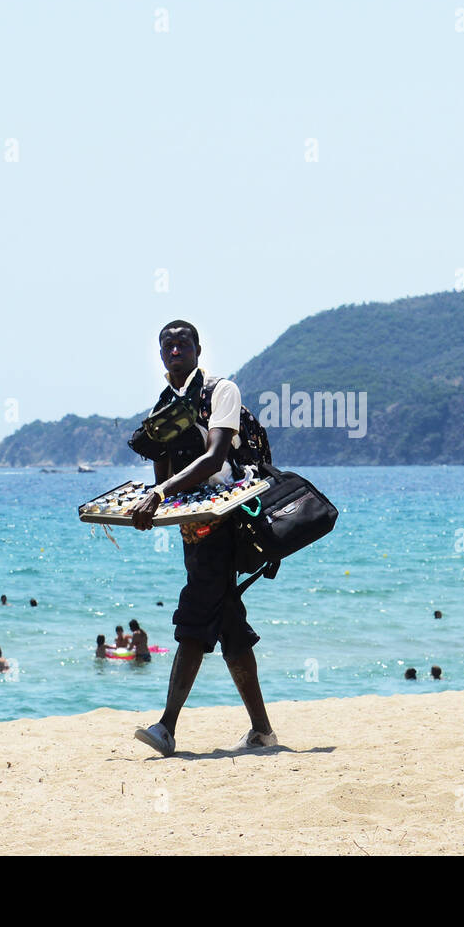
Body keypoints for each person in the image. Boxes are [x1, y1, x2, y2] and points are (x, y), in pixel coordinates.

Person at [132, 320, 276, 756]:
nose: (175, 349)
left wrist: (158, 494)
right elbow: (165, 476)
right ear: (160, 356)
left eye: (183, 343)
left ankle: (167, 727)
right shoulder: (162, 410)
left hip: (228, 520)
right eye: (167, 345)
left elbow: (215, 456)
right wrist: (152, 508)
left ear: (198, 349)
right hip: (193, 530)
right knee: (229, 624)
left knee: (194, 617)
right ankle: (263, 732)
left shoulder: (221, 392)